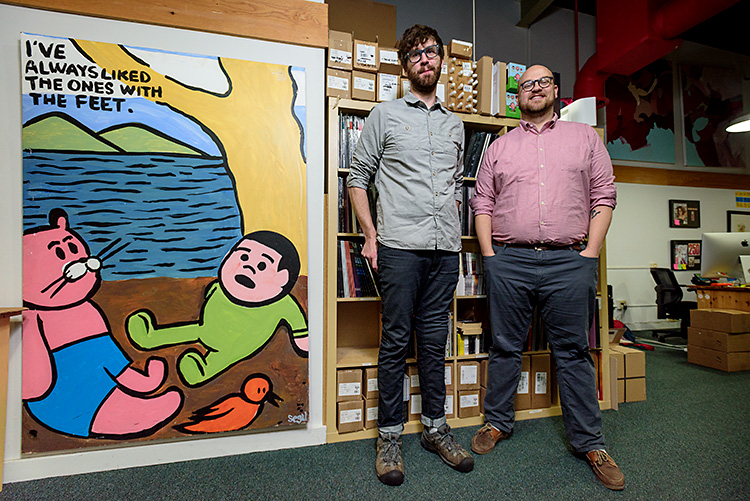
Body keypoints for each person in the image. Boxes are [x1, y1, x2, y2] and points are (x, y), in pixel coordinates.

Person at [469, 64, 625, 491]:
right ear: (518, 96)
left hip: (567, 263)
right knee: (504, 347)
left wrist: (589, 254)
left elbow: (604, 195)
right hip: (510, 262)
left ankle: (590, 443)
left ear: (556, 90)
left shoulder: (585, 138)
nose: (533, 89)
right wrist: (490, 257)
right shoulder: (500, 147)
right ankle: (497, 422)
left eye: (541, 82)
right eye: (526, 85)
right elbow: (482, 201)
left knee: (573, 351)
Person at [347, 24, 473, 486]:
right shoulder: (384, 115)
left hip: (444, 250)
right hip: (399, 247)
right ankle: (389, 436)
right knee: (396, 342)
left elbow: (456, 184)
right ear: (405, 66)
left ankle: (436, 430)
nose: (425, 59)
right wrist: (370, 234)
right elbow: (357, 176)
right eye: (416, 54)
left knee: (434, 343)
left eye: (432, 52)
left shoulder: (454, 123)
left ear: (441, 61)